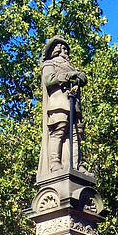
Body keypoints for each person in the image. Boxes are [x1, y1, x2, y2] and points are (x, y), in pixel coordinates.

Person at [37, 35, 87, 179]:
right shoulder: (49, 64)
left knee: (75, 134)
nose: (65, 50)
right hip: (59, 103)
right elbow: (49, 80)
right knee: (58, 131)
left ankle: (76, 164)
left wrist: (77, 77)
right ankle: (55, 163)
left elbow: (83, 78)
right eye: (62, 47)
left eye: (66, 48)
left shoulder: (72, 68)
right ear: (55, 49)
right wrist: (69, 76)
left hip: (73, 104)